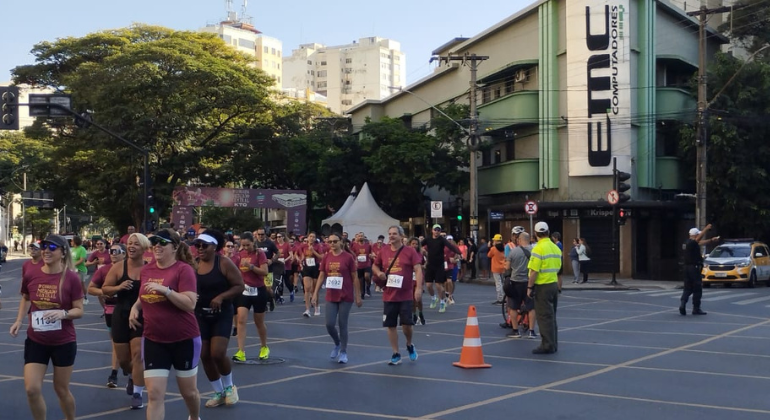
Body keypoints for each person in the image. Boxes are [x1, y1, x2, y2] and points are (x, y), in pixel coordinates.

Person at [128, 228, 201, 420]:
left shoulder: (183, 270)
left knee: (189, 393)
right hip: (154, 339)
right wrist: (135, 307)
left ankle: (194, 417)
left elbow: (190, 304)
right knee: (154, 395)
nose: (157, 246)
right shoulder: (147, 269)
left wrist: (166, 291)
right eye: (154, 243)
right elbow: (143, 294)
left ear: (175, 247)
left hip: (184, 339)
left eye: (162, 243)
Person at [10, 234, 84, 420]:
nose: (46, 251)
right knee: (32, 389)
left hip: (63, 341)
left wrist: (64, 314)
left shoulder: (71, 278)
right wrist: (19, 320)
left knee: (61, 389)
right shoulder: (31, 273)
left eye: (52, 248)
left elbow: (79, 310)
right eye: (44, 246)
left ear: (62, 251)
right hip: (36, 339)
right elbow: (26, 298)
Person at [194, 230, 245, 408]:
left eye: (204, 246)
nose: (200, 249)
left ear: (215, 247)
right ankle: (218, 391)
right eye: (197, 245)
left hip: (222, 313)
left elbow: (239, 285)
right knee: (204, 355)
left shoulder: (223, 263)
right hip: (200, 314)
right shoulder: (194, 265)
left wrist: (222, 297)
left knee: (217, 353)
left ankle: (230, 387)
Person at [102, 233, 151, 409]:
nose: (131, 246)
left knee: (138, 355)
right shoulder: (118, 267)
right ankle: (131, 375)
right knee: (124, 361)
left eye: (136, 244)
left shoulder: (150, 268)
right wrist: (118, 287)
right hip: (121, 313)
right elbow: (105, 289)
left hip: (142, 315)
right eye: (129, 243)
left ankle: (138, 393)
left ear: (144, 248)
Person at [372, 226, 423, 365]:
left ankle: (409, 344)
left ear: (401, 236)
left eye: (394, 234)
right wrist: (378, 273)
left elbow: (418, 269)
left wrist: (418, 288)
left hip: (405, 294)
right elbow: (375, 266)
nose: (391, 236)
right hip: (389, 294)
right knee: (391, 325)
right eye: (390, 234)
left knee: (407, 325)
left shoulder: (410, 251)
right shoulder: (383, 251)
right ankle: (396, 353)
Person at [311, 233, 362, 364]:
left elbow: (355, 277)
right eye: (330, 242)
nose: (332, 244)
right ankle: (337, 343)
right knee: (329, 324)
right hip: (331, 295)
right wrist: (315, 293)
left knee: (342, 324)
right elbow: (322, 275)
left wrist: (358, 296)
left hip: (346, 295)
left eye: (335, 241)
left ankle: (344, 352)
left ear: (341, 242)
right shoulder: (326, 257)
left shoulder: (348, 257)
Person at [87, 243, 126, 388]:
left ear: (125, 253)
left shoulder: (134, 269)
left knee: (134, 344)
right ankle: (114, 373)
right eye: (111, 251)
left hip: (131, 310)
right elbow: (91, 289)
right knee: (116, 342)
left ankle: (133, 378)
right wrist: (106, 292)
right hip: (111, 310)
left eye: (117, 251)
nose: (113, 253)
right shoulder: (104, 270)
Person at [232, 232, 270, 362]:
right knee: (241, 320)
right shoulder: (239, 255)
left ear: (253, 242)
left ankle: (264, 347)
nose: (246, 247)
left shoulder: (260, 254)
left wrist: (251, 267)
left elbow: (265, 272)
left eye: (248, 245)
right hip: (244, 290)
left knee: (258, 321)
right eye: (243, 245)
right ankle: (241, 351)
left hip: (258, 290)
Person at [526, 222, 562, 355]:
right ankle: (553, 343)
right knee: (552, 316)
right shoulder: (555, 248)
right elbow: (559, 269)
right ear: (548, 232)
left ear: (535, 234)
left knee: (544, 316)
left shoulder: (538, 249)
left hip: (542, 286)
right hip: (553, 284)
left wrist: (529, 287)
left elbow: (534, 271)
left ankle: (547, 345)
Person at [422, 224, 461, 314]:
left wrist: (459, 252)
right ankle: (433, 298)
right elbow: (419, 244)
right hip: (430, 265)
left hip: (439, 265)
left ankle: (442, 302)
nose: (437, 231)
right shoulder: (428, 239)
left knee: (439, 285)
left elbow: (451, 246)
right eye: (435, 230)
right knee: (428, 285)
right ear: (432, 230)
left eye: (438, 230)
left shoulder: (442, 240)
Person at [680, 225, 719, 316]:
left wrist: (710, 240)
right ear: (695, 235)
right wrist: (706, 229)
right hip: (694, 268)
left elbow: (699, 242)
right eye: (697, 234)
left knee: (687, 288)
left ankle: (682, 303)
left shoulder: (687, 243)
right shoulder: (692, 243)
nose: (699, 236)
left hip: (686, 268)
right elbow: (698, 240)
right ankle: (696, 309)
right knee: (697, 288)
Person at [504, 232, 536, 338]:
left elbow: (507, 267)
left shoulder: (514, 252)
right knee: (531, 307)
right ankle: (531, 331)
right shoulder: (534, 251)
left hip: (515, 282)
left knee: (513, 307)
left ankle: (515, 331)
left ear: (519, 240)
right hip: (529, 282)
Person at [298, 232, 325, 317]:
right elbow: (301, 255)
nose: (312, 238)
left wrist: (313, 251)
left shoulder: (318, 246)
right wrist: (301, 261)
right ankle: (307, 309)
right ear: (308, 237)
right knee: (307, 288)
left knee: (314, 289)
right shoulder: (303, 246)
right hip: (307, 268)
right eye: (310, 236)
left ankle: (317, 307)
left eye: (313, 237)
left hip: (315, 267)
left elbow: (321, 257)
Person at [255, 228, 279, 311]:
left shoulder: (270, 243)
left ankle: (272, 298)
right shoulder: (254, 243)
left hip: (268, 269)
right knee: (259, 288)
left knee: (268, 288)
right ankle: (264, 304)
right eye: (259, 234)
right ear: (256, 235)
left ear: (265, 234)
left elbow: (278, 253)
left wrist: (272, 260)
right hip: (257, 270)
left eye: (262, 234)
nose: (261, 236)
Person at [408, 237, 426, 326]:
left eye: (416, 244)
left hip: (419, 277)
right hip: (410, 277)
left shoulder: (420, 253)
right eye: (413, 244)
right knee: (412, 299)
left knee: (418, 298)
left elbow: (426, 262)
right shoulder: (406, 253)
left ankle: (421, 313)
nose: (414, 245)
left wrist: (423, 266)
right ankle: (414, 315)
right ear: (409, 244)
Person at [350, 232, 373, 298]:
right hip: (359, 265)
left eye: (361, 236)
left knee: (367, 276)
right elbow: (352, 254)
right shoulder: (354, 246)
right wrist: (354, 260)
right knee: (360, 280)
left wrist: (371, 255)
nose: (360, 237)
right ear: (357, 237)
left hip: (367, 264)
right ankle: (362, 292)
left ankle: (368, 287)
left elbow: (370, 253)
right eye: (359, 236)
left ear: (364, 237)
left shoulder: (368, 245)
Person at [488, 234, 507, 305]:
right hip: (503, 267)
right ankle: (505, 297)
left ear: (495, 240)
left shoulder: (493, 249)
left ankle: (500, 298)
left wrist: (490, 246)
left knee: (498, 283)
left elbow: (489, 255)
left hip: (495, 268)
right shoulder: (504, 247)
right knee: (504, 283)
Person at [71, 236, 89, 304]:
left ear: (75, 241)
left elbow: (82, 260)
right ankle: (76, 297)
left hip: (80, 269)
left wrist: (74, 264)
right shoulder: (72, 249)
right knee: (74, 284)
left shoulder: (82, 249)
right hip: (73, 269)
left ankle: (85, 297)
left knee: (81, 284)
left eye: (72, 241)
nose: (71, 242)